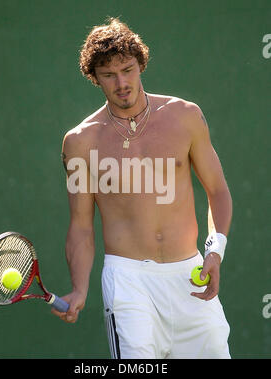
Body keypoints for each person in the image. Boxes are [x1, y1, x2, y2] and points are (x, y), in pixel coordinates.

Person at [52, 17, 233, 359]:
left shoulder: (185, 116)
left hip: (190, 277)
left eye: (128, 69)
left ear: (141, 65)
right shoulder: (80, 142)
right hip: (129, 283)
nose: (121, 82)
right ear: (95, 78)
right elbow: (80, 225)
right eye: (109, 74)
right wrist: (79, 288)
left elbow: (218, 191)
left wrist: (215, 250)